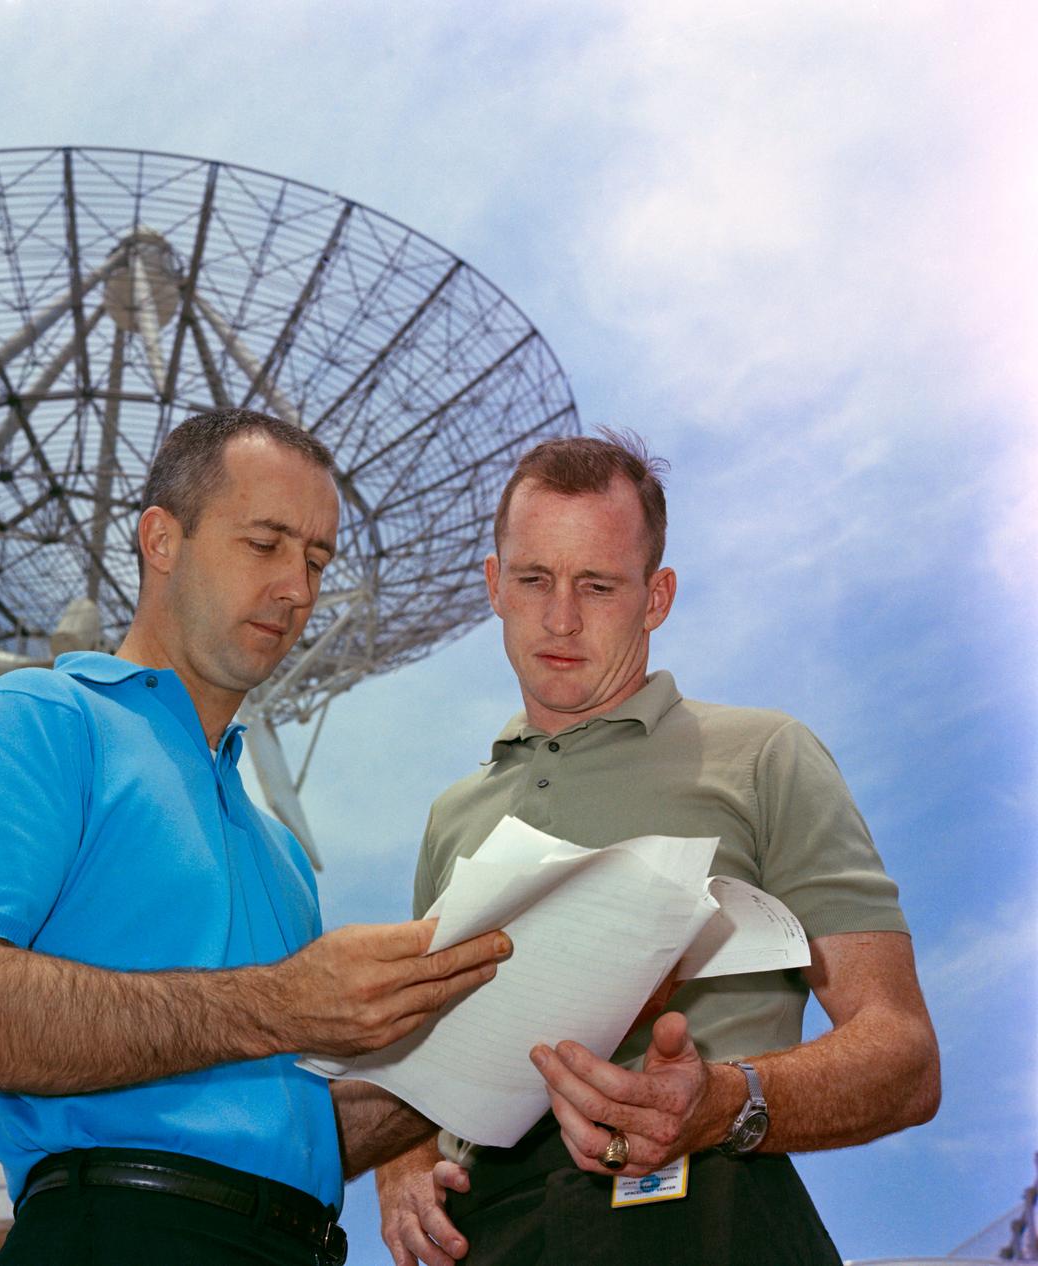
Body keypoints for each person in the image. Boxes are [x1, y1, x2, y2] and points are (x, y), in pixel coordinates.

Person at [0, 408, 511, 1266]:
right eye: (265, 543)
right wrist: (283, 1003)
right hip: (120, 1232)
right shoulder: (36, 721)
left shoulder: (281, 855)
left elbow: (281, 1126)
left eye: (318, 560)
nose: (298, 587)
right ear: (161, 539)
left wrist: (505, 1050)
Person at [375, 431, 940, 1266]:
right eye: (534, 579)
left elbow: (904, 1055)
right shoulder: (451, 818)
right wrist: (403, 1161)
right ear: (495, 585)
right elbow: (423, 1062)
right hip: (486, 1236)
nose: (561, 617)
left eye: (598, 585)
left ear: (657, 596)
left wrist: (725, 1102)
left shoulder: (763, 755)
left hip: (704, 1209)